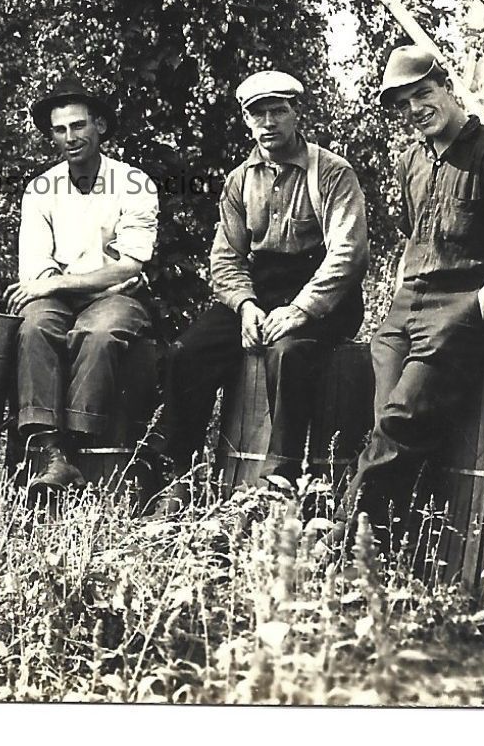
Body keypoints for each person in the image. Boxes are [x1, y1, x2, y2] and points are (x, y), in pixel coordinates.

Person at [346, 46, 484, 543]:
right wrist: (399, 299)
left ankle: (340, 547)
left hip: (458, 312)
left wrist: (474, 313)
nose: (416, 109)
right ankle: (397, 553)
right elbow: (415, 240)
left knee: (397, 427)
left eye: (423, 93)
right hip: (403, 313)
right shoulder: (410, 162)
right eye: (404, 103)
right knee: (389, 431)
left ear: (447, 87)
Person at [146, 70, 369, 501]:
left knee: (287, 352)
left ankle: (279, 476)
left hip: (326, 293)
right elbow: (226, 257)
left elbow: (348, 254)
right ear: (246, 120)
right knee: (187, 353)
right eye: (257, 114)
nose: (268, 123)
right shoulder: (240, 180)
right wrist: (246, 306)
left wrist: (301, 310)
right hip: (262, 288)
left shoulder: (332, 172)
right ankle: (180, 475)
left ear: (296, 113)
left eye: (277, 111)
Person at [2, 78, 159, 493]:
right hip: (58, 297)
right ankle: (49, 452)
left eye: (78, 125)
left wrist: (63, 282)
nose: (69, 137)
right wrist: (56, 285)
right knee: (34, 326)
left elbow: (129, 265)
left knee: (99, 333)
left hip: (116, 298)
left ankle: (76, 448)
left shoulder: (134, 183)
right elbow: (35, 269)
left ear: (99, 126)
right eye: (59, 129)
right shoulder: (41, 189)